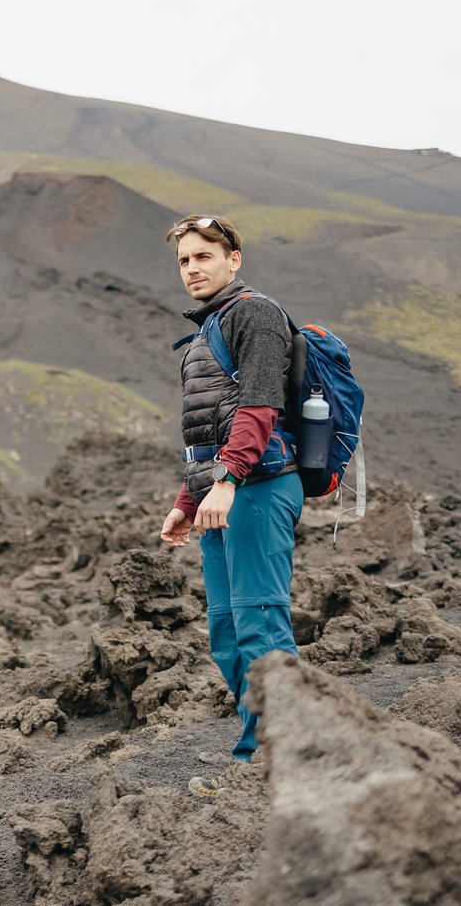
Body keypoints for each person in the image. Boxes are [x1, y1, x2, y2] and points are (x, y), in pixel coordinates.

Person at [158, 214, 304, 796]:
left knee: (260, 622)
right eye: (184, 261)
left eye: (203, 257)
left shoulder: (255, 315)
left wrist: (229, 480)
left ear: (233, 259)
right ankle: (266, 750)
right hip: (219, 492)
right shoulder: (208, 328)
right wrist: (187, 500)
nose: (193, 268)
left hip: (258, 488)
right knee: (226, 630)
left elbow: (261, 407)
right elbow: (207, 427)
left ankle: (275, 762)